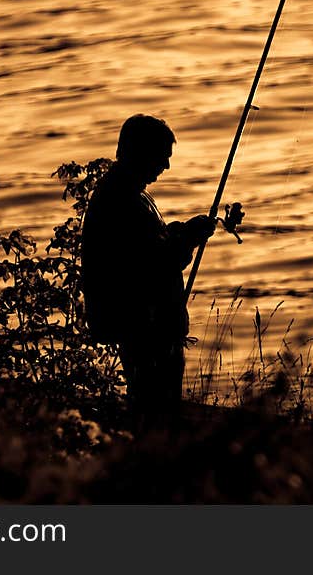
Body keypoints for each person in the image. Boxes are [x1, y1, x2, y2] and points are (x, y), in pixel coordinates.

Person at [81, 114, 216, 425]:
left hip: (148, 325)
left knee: (152, 408)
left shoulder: (128, 193)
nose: (166, 167)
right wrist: (188, 241)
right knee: (157, 413)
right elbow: (148, 265)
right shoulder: (121, 200)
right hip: (144, 327)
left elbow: (150, 244)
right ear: (141, 153)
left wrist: (184, 230)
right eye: (162, 157)